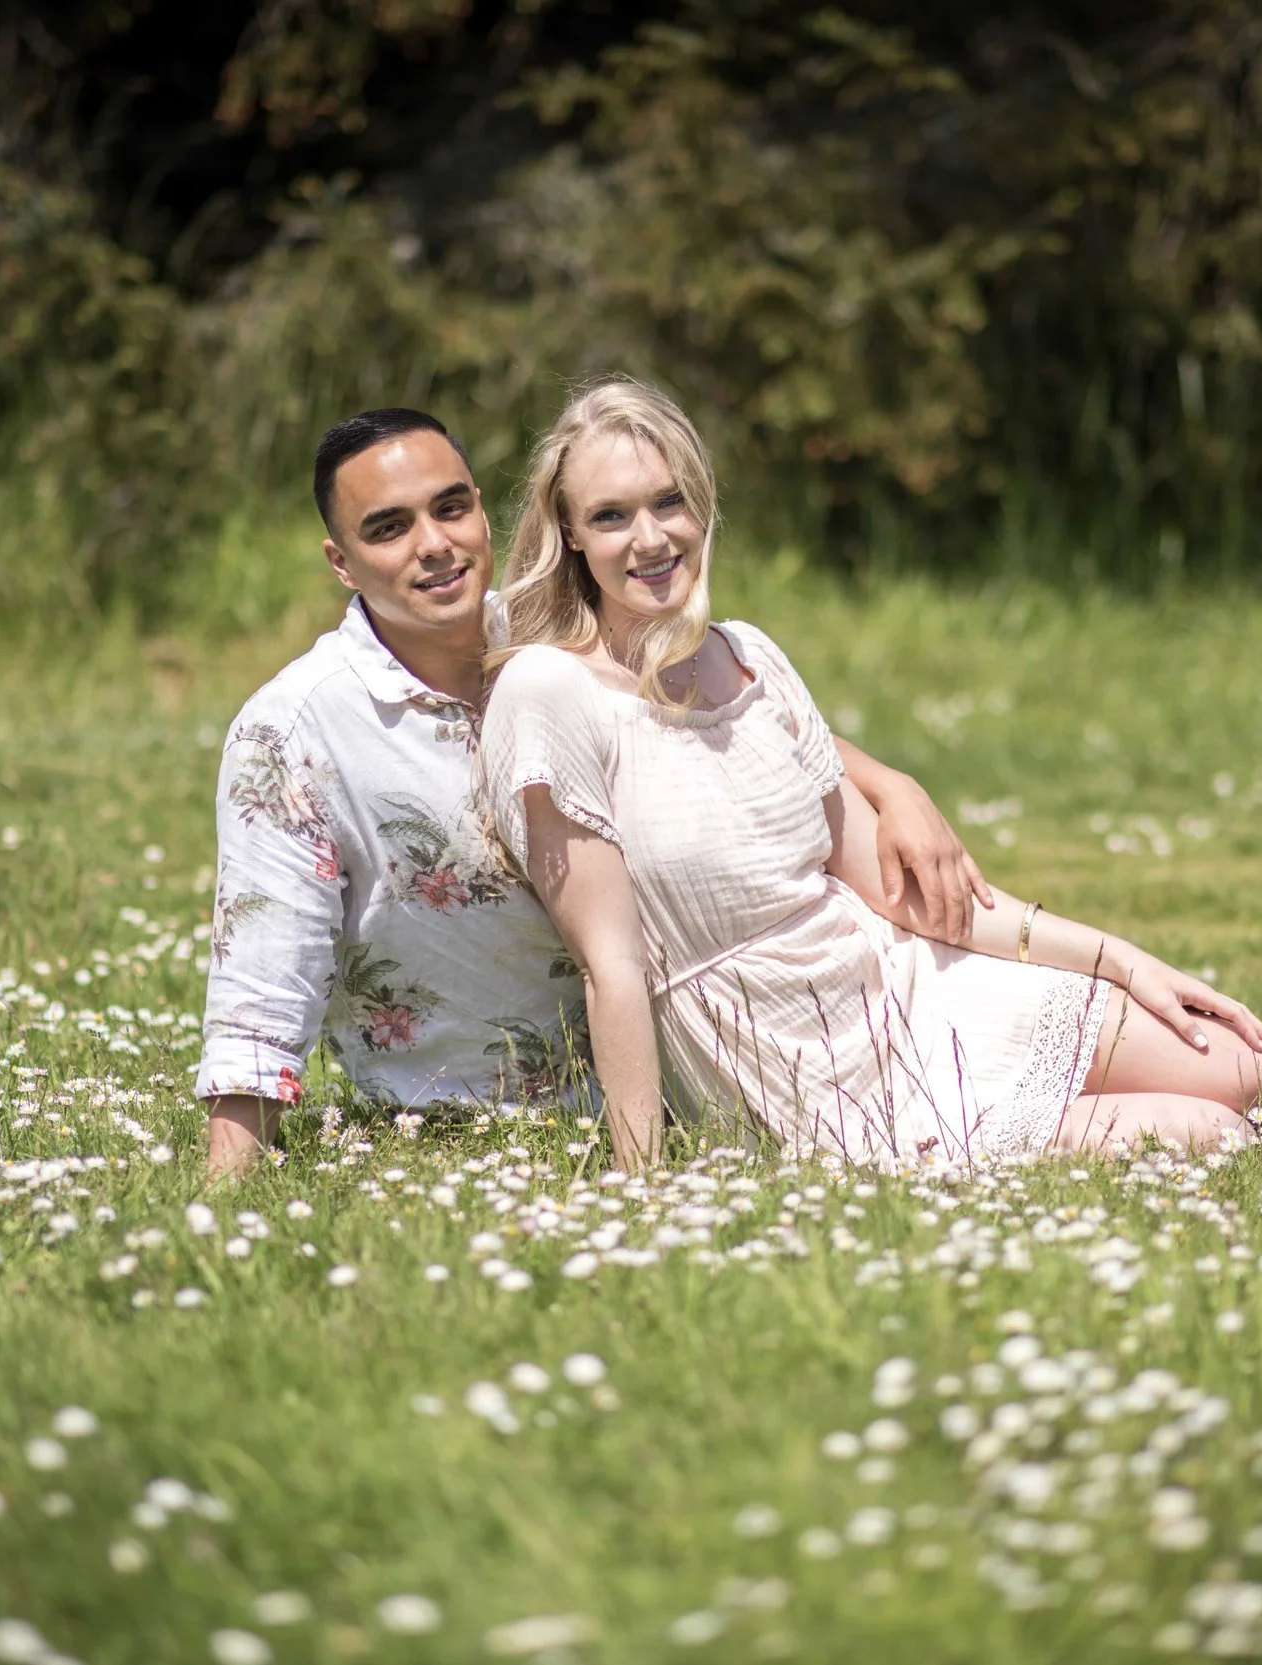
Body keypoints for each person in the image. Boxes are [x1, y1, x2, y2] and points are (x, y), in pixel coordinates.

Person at [478, 378, 1262, 1171]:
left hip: (907, 985)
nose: (650, 538)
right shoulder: (549, 696)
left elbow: (907, 898)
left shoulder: (746, 655)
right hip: (806, 1069)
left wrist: (1120, 960)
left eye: (669, 504)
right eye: (612, 515)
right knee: (1208, 1137)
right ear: (569, 533)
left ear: (702, 509)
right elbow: (613, 968)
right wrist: (640, 1187)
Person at [197, 407, 995, 1179]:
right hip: (477, 1128)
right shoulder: (297, 731)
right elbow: (264, 985)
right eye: (389, 527)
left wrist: (893, 786)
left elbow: (717, 718)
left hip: (706, 1076)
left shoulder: (549, 634)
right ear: (342, 562)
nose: (434, 545)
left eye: (451, 507)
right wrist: (225, 1198)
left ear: (484, 510)